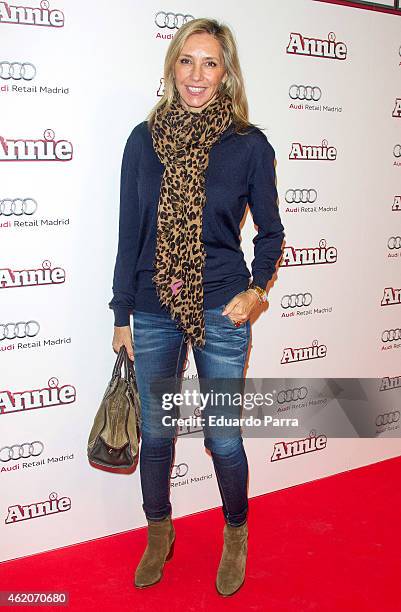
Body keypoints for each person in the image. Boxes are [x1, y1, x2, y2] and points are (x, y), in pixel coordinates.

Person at [109, 17, 285, 597]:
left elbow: (270, 233)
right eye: (186, 61)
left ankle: (236, 533)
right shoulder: (144, 139)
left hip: (222, 307)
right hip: (156, 304)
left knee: (222, 437)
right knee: (157, 434)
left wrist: (256, 290)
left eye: (209, 63)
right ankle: (159, 533)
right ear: (172, 68)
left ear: (226, 73)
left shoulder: (248, 145)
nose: (196, 75)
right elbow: (130, 232)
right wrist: (121, 315)